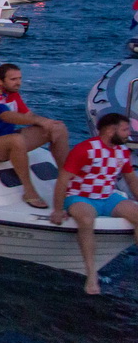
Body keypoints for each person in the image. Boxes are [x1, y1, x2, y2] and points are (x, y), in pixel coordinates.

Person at [50, 112, 138, 294]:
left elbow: (131, 179)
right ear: (110, 130)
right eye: (124, 130)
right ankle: (91, 274)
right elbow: (63, 180)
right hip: (80, 196)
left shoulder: (122, 151)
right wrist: (58, 209)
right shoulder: (85, 149)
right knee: (86, 220)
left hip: (107, 197)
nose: (128, 134)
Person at [0, 63, 68, 208]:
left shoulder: (10, 92)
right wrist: (40, 121)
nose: (18, 82)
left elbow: (27, 115)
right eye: (13, 79)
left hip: (4, 137)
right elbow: (7, 116)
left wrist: (48, 123)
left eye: (19, 78)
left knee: (58, 128)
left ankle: (67, 182)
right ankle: (29, 191)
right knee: (16, 140)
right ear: (0, 81)